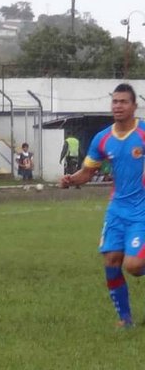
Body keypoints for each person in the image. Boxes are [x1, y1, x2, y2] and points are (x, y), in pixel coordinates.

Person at [62, 85, 145, 327]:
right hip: (117, 209)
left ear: (134, 106)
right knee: (111, 261)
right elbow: (88, 172)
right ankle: (125, 319)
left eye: (123, 102)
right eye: (115, 101)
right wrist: (71, 179)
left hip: (142, 210)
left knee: (134, 265)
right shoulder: (103, 138)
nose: (118, 106)